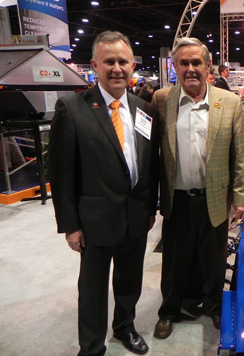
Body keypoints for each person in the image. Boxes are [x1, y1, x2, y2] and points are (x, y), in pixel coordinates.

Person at [48, 31, 159, 356]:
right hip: (94, 221)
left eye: (122, 61)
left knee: (129, 283)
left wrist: (150, 207)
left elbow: (150, 164)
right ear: (95, 64)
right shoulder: (72, 107)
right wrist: (70, 225)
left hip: (136, 217)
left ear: (132, 65)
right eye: (109, 61)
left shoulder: (145, 109)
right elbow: (62, 172)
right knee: (93, 289)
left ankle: (125, 327)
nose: (116, 68)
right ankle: (92, 346)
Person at [151, 37, 244, 339]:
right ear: (175, 67)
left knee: (213, 258)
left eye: (197, 62)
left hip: (216, 197)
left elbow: (239, 154)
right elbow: (151, 151)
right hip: (177, 198)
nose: (190, 68)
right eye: (184, 63)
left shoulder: (229, 102)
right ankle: (170, 310)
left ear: (208, 66)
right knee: (175, 260)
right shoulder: (162, 99)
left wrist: (240, 197)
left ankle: (214, 306)